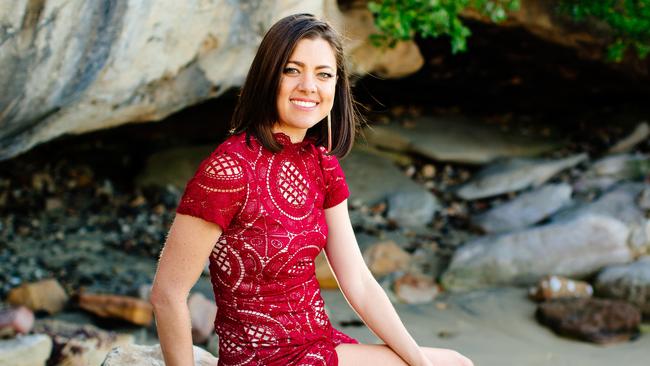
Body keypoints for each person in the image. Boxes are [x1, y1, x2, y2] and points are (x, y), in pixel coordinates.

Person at [150, 13, 474, 366]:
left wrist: (418, 361)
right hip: (262, 358)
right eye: (292, 70)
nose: (309, 86)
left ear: (336, 86)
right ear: (267, 76)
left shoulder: (321, 165)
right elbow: (167, 293)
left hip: (317, 346)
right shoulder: (229, 170)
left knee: (452, 362)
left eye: (324, 74)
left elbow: (359, 284)